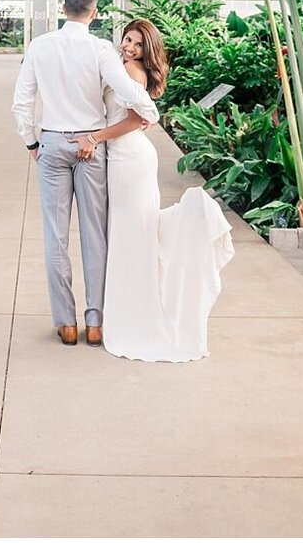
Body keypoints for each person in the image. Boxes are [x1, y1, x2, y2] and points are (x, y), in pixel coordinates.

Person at [69, 18, 234, 362]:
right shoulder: (125, 65)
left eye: (138, 44)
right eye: (128, 39)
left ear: (147, 52)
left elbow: (134, 119)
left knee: (131, 237)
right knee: (132, 236)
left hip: (130, 160)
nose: (129, 47)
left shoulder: (131, 70)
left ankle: (133, 317)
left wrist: (94, 137)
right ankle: (127, 311)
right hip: (126, 157)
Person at [12, 0, 159, 347]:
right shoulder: (101, 50)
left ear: (64, 9)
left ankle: (65, 322)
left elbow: (21, 103)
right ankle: (95, 322)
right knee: (95, 234)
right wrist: (151, 111)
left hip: (52, 142)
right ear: (94, 13)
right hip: (91, 147)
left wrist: (33, 142)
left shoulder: (39, 46)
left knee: (55, 236)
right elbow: (127, 92)